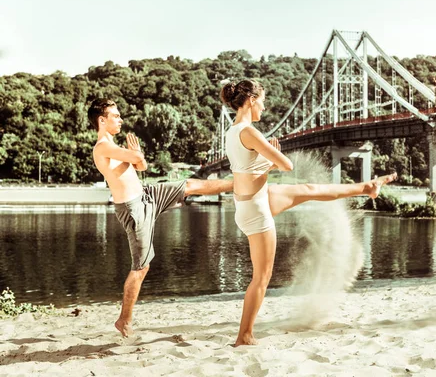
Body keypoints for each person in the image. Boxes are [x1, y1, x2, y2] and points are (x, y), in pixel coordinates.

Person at [220, 80, 397, 347]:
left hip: (250, 202)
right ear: (252, 99)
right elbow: (287, 164)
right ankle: (244, 336)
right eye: (264, 101)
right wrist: (271, 155)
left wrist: (264, 159)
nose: (265, 107)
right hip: (257, 212)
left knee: (310, 189)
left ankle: (366, 187)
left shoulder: (232, 131)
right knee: (261, 278)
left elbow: (248, 169)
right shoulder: (251, 133)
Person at [87, 98, 233, 337]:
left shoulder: (116, 147)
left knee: (189, 185)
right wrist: (135, 154)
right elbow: (137, 159)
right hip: (133, 209)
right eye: (115, 115)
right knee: (141, 267)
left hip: (148, 194)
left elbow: (142, 165)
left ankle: (236, 184)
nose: (120, 119)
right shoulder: (102, 147)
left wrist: (136, 155)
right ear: (102, 120)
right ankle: (124, 320)